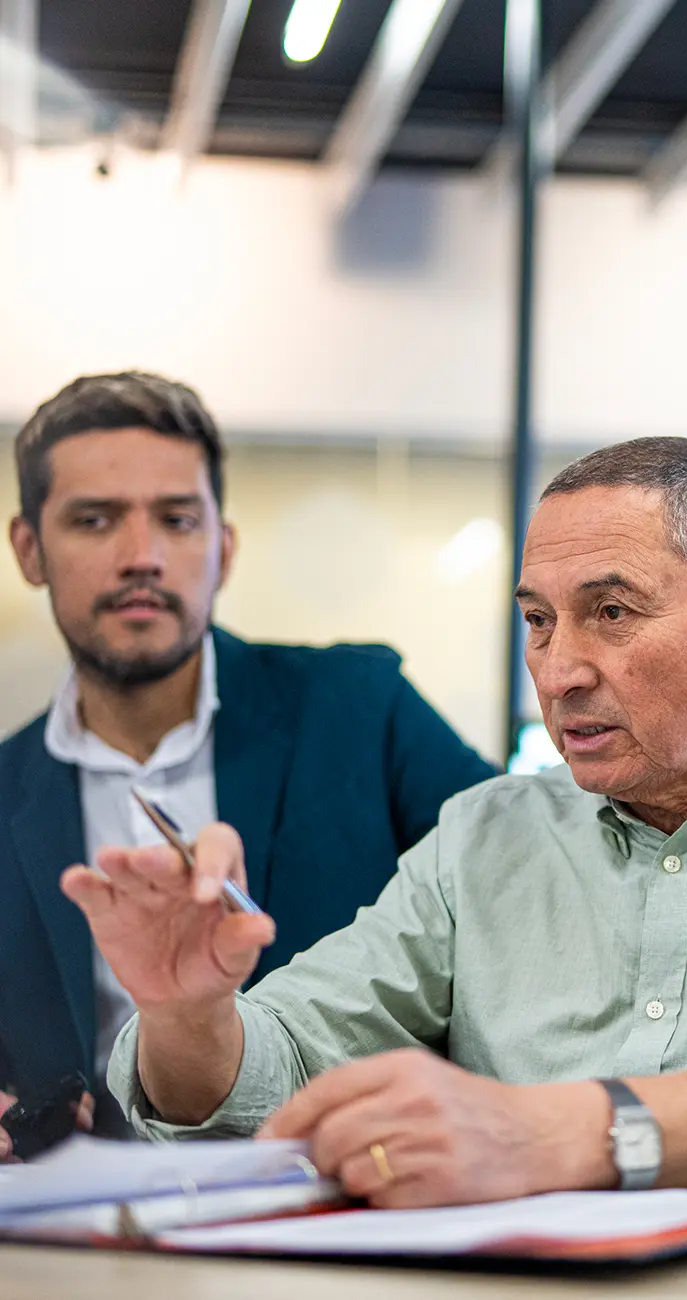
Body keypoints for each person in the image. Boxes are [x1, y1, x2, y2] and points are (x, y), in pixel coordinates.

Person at [72, 436, 687, 1203]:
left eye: (611, 611)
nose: (558, 670)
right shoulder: (484, 838)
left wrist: (551, 1133)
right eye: (537, 621)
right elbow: (277, 1063)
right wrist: (188, 1012)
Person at [0, 372, 496, 1157]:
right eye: (94, 521)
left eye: (178, 520)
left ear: (222, 549)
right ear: (29, 549)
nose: (143, 557)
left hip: (347, 1205)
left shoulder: (360, 707)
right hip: (77, 1240)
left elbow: (528, 884)